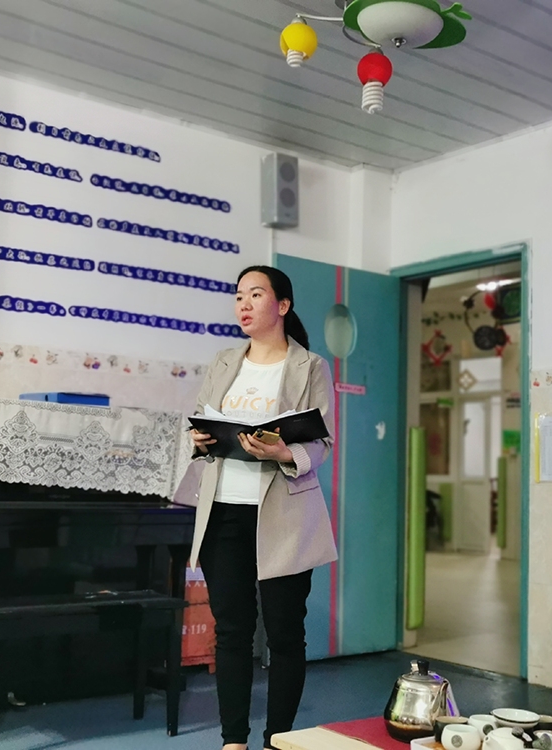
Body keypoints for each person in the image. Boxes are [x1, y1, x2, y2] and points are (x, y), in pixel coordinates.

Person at [188, 265, 337, 750]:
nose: (244, 304)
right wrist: (198, 439)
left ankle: (279, 740)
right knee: (231, 632)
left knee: (284, 634)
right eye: (238, 297)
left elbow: (322, 443)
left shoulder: (309, 366)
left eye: (255, 294)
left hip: (283, 515)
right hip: (224, 511)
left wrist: (284, 453)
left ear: (283, 305)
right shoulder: (223, 362)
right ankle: (234, 740)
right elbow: (201, 422)